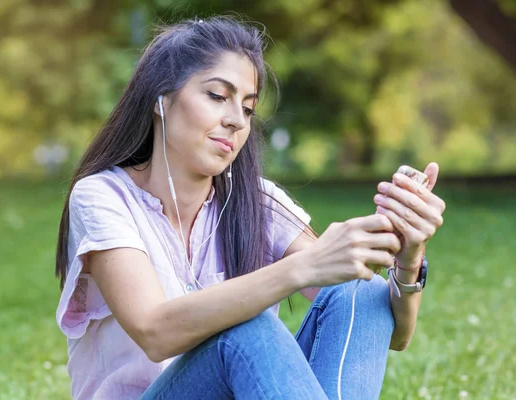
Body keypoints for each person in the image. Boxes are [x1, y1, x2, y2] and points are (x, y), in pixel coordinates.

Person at [54, 15, 446, 400]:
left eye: (247, 108)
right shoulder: (102, 196)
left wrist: (408, 258)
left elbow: (392, 333)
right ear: (161, 99)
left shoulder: (257, 201)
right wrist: (301, 267)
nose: (236, 121)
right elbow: (154, 331)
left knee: (360, 293)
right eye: (217, 96)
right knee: (246, 328)